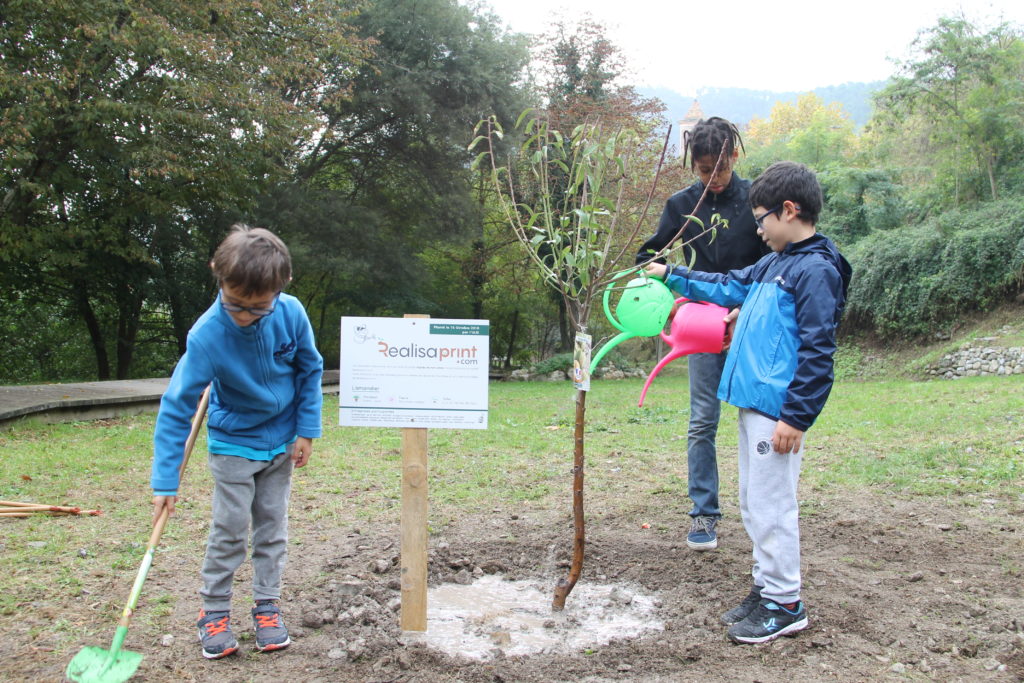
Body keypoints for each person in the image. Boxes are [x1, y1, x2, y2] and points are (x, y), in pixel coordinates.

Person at [645, 161, 851, 644]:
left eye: (761, 219)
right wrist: (671, 273)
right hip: (754, 404)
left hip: (778, 413)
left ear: (789, 210)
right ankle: (766, 589)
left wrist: (796, 417)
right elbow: (726, 285)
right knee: (753, 503)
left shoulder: (815, 270)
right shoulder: (774, 263)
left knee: (772, 505)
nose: (757, 230)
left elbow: (819, 350)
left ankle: (786, 603)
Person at [150, 224, 324, 659]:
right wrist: (165, 481)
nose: (245, 316)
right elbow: (176, 408)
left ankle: (266, 605)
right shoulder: (207, 335)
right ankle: (213, 613)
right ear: (217, 274)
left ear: (280, 287)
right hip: (233, 443)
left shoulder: (292, 313)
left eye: (258, 308)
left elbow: (309, 370)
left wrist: (306, 430)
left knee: (272, 526)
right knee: (229, 530)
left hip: (282, 441)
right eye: (236, 305)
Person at [635, 116, 767, 551]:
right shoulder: (682, 205)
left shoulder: (756, 200)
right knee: (702, 420)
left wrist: (743, 309)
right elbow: (649, 255)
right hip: (703, 324)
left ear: (733, 156)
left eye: (720, 169)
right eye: (703, 170)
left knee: (759, 418)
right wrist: (663, 283)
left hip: (751, 322)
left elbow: (776, 261)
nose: (713, 179)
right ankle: (704, 514)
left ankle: (763, 510)